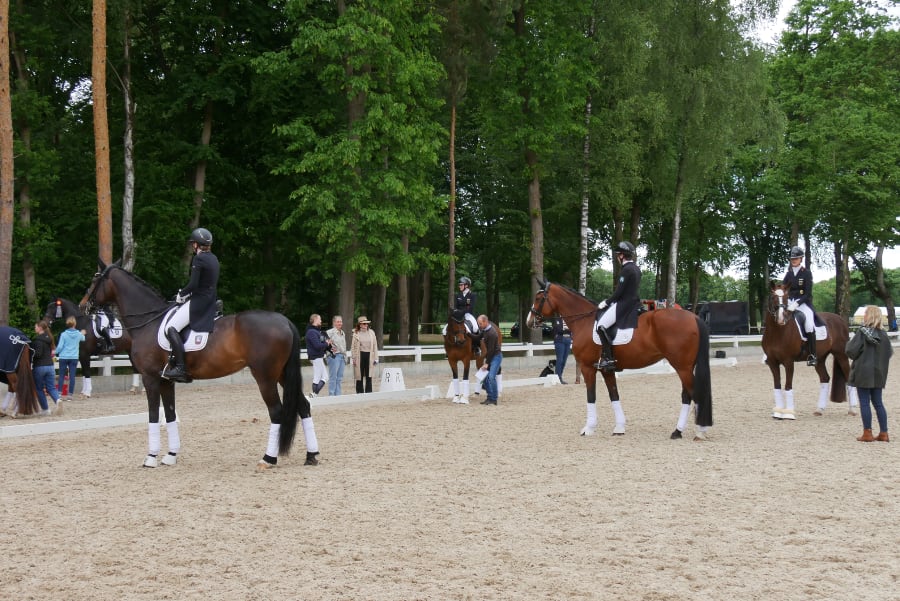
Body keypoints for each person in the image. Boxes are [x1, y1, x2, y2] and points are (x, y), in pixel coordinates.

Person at [162, 227, 220, 383]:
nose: (193, 246)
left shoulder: (199, 259)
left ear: (196, 244)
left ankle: (180, 368)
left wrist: (181, 294)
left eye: (193, 243)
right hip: (210, 299)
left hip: (199, 301)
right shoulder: (213, 258)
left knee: (171, 328)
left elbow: (193, 284)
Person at [847, 305, 893, 442]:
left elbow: (851, 351)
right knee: (878, 403)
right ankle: (884, 433)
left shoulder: (862, 333)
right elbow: (889, 353)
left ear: (871, 315)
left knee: (865, 402)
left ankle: (867, 433)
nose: (864, 315)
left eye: (866, 313)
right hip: (879, 372)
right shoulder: (884, 335)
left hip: (863, 372)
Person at [595, 241, 642, 371]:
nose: (617, 257)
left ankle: (608, 359)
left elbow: (619, 292)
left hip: (624, 304)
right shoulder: (636, 269)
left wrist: (606, 302)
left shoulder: (626, 270)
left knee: (601, 326)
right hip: (634, 303)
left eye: (618, 255)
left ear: (622, 256)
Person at [783, 245, 817, 366]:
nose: (794, 260)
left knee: (809, 324)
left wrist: (797, 303)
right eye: (792, 259)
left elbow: (807, 294)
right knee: (779, 318)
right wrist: (786, 302)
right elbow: (784, 289)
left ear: (801, 259)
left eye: (796, 258)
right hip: (789, 302)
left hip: (803, 304)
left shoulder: (806, 273)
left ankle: (812, 355)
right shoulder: (788, 274)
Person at [32, 320, 62, 415]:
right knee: (51, 387)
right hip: (50, 366)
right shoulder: (49, 339)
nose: (35, 328)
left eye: (36, 326)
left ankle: (45, 409)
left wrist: (31, 354)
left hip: (40, 367)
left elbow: (38, 354)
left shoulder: (38, 340)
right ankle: (57, 400)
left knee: (39, 389)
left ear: (40, 328)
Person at [56, 316, 85, 401]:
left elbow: (60, 346)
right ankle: (70, 395)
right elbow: (83, 339)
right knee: (72, 376)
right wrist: (82, 333)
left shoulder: (63, 334)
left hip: (63, 357)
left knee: (61, 375)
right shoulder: (78, 334)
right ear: (75, 324)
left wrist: (55, 352)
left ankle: (59, 394)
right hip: (74, 357)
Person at [477, 315, 502, 405]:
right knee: (484, 377)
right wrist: (467, 333)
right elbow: (477, 337)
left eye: (480, 323)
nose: (479, 325)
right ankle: (489, 397)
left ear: (485, 322)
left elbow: (491, 350)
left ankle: (494, 399)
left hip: (496, 357)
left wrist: (487, 363)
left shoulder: (492, 333)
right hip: (490, 357)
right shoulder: (484, 330)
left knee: (491, 377)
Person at [351, 316, 379, 393]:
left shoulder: (372, 332)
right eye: (364, 323)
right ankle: (359, 393)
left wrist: (376, 358)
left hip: (370, 356)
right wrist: (353, 358)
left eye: (367, 323)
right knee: (359, 376)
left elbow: (375, 346)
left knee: (369, 375)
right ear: (360, 324)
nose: (366, 325)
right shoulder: (356, 333)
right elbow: (353, 347)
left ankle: (369, 393)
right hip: (359, 356)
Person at [455, 276, 482, 356]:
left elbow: (470, 307)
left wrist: (462, 312)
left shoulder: (472, 295)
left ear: (466, 285)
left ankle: (477, 347)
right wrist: (456, 312)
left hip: (468, 314)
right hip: (459, 314)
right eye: (459, 285)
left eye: (461, 285)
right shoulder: (458, 295)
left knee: (475, 328)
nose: (459, 286)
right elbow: (456, 306)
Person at [305, 314, 329, 398]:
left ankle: (314, 394)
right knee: (319, 377)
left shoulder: (316, 331)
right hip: (316, 357)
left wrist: (327, 345)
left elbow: (321, 345)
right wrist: (327, 343)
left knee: (323, 377)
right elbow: (317, 346)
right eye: (320, 319)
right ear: (315, 320)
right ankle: (314, 394)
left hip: (318, 357)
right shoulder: (311, 332)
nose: (321, 321)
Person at [326, 315, 349, 396]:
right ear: (334, 323)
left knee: (339, 378)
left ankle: (338, 395)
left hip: (342, 356)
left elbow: (344, 346)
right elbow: (324, 343)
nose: (340, 323)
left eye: (341, 321)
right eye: (338, 321)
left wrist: (345, 356)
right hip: (334, 357)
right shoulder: (329, 332)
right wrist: (329, 348)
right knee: (333, 377)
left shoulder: (343, 333)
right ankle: (331, 395)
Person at [552, 316, 571, 384]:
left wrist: (566, 331)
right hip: (560, 341)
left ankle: (560, 376)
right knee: (560, 360)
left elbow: (573, 329)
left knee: (564, 360)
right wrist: (567, 330)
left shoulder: (569, 319)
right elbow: (558, 330)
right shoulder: (557, 320)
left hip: (568, 340)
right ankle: (558, 377)